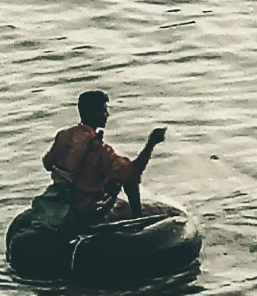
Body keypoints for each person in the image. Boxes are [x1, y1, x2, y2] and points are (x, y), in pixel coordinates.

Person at [43, 90, 167, 225]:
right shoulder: (99, 149)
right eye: (104, 111)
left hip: (65, 199)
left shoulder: (64, 135)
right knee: (128, 176)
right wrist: (150, 144)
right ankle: (138, 219)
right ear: (94, 113)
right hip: (85, 208)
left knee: (108, 174)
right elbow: (131, 172)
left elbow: (47, 163)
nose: (107, 115)